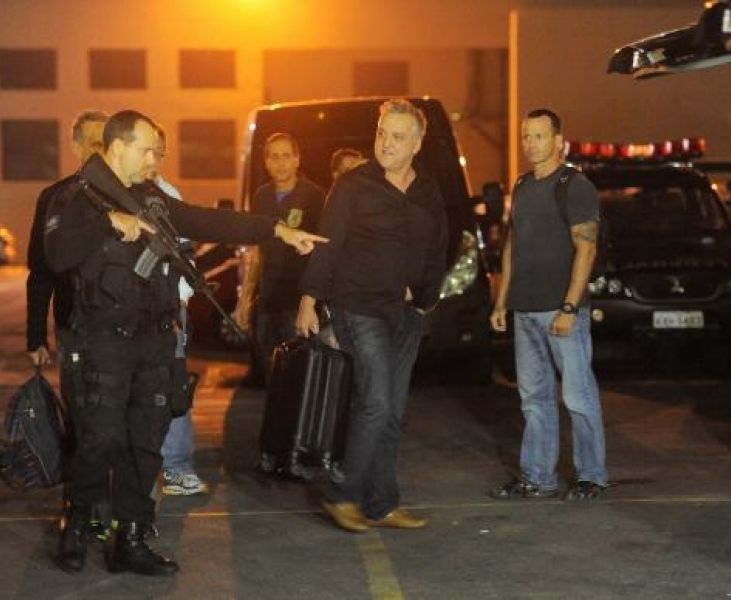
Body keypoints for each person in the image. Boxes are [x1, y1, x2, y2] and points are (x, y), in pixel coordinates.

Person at [45, 109, 326, 575]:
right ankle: (76, 527)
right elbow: (56, 254)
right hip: (104, 344)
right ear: (118, 147)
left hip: (153, 343)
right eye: (146, 150)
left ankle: (131, 538)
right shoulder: (75, 196)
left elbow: (206, 220)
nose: (154, 159)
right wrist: (108, 222)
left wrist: (277, 230)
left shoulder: (151, 197)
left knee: (145, 443)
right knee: (101, 440)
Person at [296, 99, 447, 533]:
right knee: (376, 401)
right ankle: (342, 494)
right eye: (382, 133)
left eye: (397, 136)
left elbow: (438, 247)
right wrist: (308, 298)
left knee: (393, 412)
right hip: (359, 307)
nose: (386, 143)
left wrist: (425, 298)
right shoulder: (354, 185)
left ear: (417, 144)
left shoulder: (427, 190)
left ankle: (382, 503)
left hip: (406, 315)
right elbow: (328, 243)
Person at [489, 108, 608, 501]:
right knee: (534, 400)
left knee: (578, 396)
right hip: (524, 309)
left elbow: (586, 249)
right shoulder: (522, 186)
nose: (530, 143)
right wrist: (501, 302)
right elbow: (511, 246)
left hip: (561, 312)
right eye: (526, 136)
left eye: (539, 136)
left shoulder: (575, 185)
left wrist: (570, 308)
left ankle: (591, 476)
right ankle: (538, 477)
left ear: (559, 141)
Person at [144, 126, 208, 497]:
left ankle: (177, 468)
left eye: (159, 151)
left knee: (174, 386)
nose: (153, 158)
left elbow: (186, 256)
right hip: (128, 315)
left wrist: (181, 300)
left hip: (169, 309)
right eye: (147, 149)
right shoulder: (112, 193)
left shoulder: (169, 195)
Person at [26, 110, 108, 367]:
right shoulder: (54, 199)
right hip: (72, 329)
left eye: (106, 144)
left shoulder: (133, 199)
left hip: (127, 333)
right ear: (76, 146)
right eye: (95, 143)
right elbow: (40, 274)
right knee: (77, 393)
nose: (102, 151)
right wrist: (36, 338)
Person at [248, 133, 325, 391]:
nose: (280, 163)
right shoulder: (261, 197)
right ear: (266, 162)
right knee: (272, 378)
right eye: (274, 157)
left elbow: (323, 252)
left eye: (286, 156)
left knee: (300, 380)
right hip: (268, 302)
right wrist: (245, 299)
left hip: (299, 302)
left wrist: (312, 300)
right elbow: (255, 251)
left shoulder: (314, 196)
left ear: (297, 160)